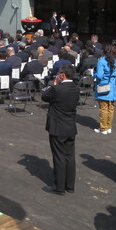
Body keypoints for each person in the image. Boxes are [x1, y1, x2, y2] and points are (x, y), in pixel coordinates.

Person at [41, 64, 79, 195]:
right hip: (70, 125)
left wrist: (55, 84)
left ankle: (59, 186)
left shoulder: (58, 89)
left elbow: (44, 96)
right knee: (69, 156)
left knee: (59, 156)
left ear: (62, 75)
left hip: (58, 126)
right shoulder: (75, 88)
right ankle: (70, 185)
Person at [93, 44, 116, 135]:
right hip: (112, 87)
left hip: (103, 87)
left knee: (103, 108)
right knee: (110, 108)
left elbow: (99, 75)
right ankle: (108, 126)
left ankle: (103, 128)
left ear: (103, 52)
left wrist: (94, 73)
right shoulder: (115, 62)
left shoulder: (101, 61)